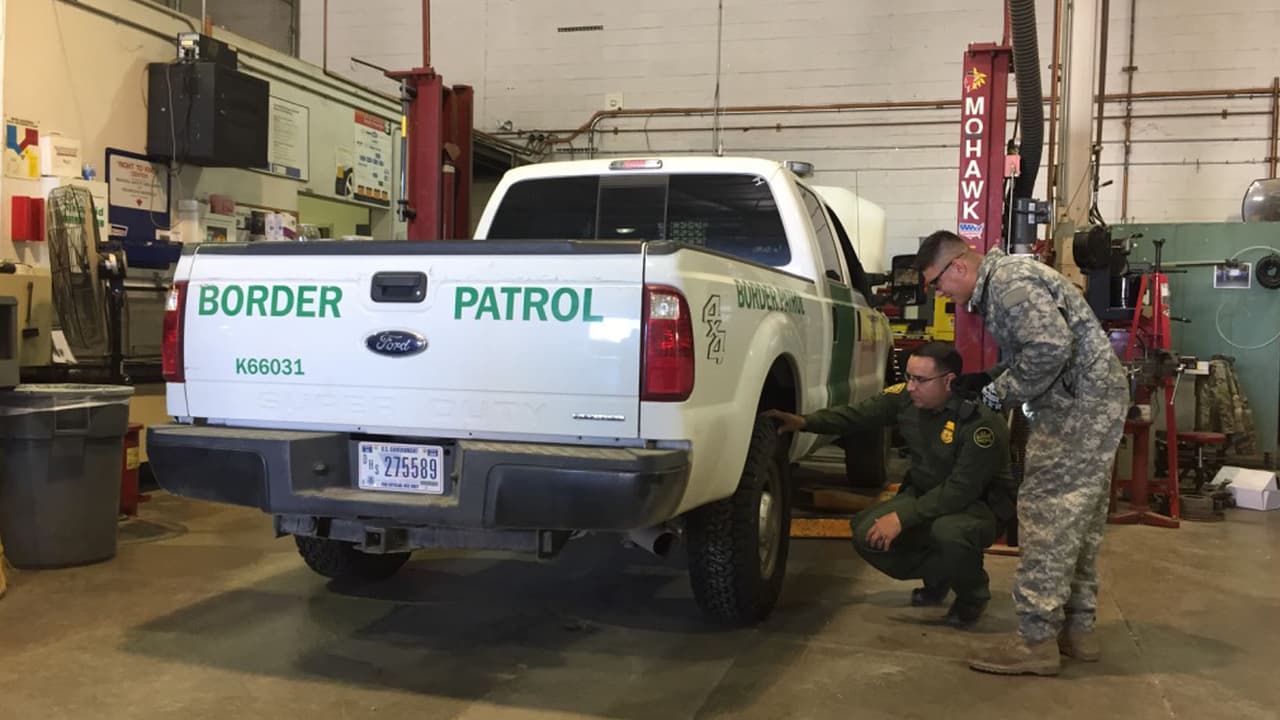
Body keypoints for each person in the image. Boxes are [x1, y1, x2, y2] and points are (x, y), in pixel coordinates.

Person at [914, 230, 1129, 676]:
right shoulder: (1010, 279)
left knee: (1047, 516)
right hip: (1092, 402)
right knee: (1080, 517)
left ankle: (1036, 641)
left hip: (1076, 411)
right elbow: (1035, 347)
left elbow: (1050, 349)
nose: (940, 294)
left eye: (937, 283)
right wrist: (988, 378)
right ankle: (1077, 629)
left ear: (957, 266)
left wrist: (997, 396)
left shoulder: (1008, 283)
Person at [766, 342, 1016, 628]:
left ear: (949, 381)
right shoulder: (906, 400)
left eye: (920, 380)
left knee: (949, 532)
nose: (910, 386)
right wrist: (804, 422)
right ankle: (943, 573)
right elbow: (857, 415)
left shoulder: (980, 424)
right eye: (908, 377)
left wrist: (901, 517)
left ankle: (972, 594)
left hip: (978, 506)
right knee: (866, 534)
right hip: (925, 493)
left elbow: (960, 491)